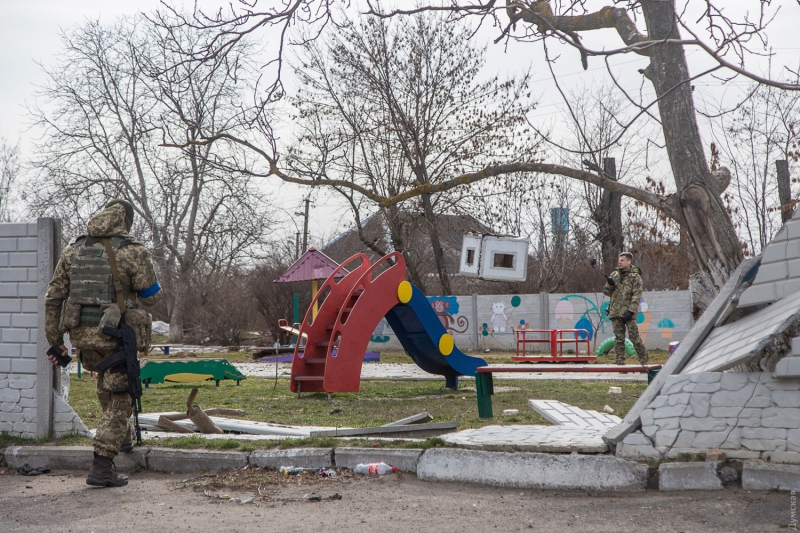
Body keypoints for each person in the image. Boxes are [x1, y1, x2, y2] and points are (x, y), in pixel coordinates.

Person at [45, 200, 163, 487]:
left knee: (107, 386)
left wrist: (55, 340)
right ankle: (102, 466)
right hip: (116, 334)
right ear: (125, 221)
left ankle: (121, 439)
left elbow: (53, 297)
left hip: (82, 339)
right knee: (121, 398)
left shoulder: (74, 249)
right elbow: (151, 296)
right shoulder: (134, 251)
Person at [602, 252, 648, 366]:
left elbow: (637, 294)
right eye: (619, 260)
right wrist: (610, 283)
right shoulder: (614, 275)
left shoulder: (635, 276)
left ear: (629, 261)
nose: (620, 262)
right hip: (616, 312)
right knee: (618, 339)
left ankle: (644, 360)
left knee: (634, 338)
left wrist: (631, 310)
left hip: (628, 313)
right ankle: (620, 362)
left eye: (622, 260)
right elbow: (607, 292)